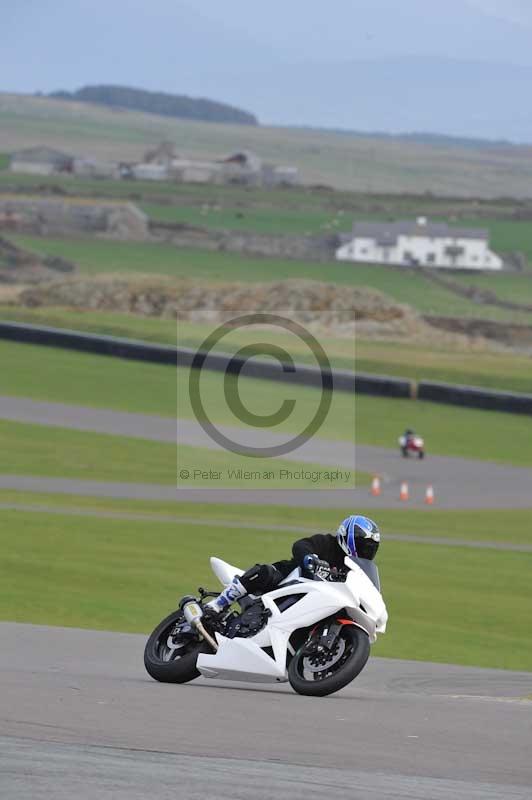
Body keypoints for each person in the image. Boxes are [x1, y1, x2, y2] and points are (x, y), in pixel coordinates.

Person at [206, 514, 381, 613]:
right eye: (362, 545)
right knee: (265, 572)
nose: (366, 551)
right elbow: (301, 545)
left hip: (315, 601)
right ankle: (219, 603)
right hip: (290, 580)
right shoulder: (327, 542)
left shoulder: (354, 568)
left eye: (370, 548)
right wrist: (309, 558)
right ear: (347, 538)